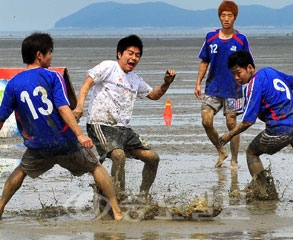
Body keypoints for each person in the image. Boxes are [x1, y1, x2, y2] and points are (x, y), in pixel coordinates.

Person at [0, 32, 123, 221]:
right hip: (65, 141)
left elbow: (2, 117)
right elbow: (63, 108)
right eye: (50, 53)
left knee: (21, 171)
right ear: (39, 55)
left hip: (37, 146)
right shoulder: (53, 76)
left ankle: (0, 208)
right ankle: (116, 211)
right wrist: (81, 135)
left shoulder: (13, 84)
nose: (51, 57)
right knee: (96, 167)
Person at [73, 34, 176, 198]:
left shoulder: (135, 80)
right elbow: (87, 83)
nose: (134, 58)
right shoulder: (109, 67)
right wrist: (79, 106)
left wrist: (166, 83)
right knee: (118, 156)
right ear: (120, 54)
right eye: (130, 53)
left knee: (152, 158)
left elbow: (154, 95)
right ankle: (118, 196)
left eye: (137, 55)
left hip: (123, 130)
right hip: (100, 124)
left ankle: (143, 197)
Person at [219, 50, 293, 180]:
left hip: (279, 130)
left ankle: (263, 191)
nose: (236, 78)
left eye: (238, 73)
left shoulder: (253, 85)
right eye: (233, 74)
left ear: (249, 67)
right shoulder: (271, 72)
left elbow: (248, 121)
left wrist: (229, 134)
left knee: (251, 152)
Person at [194, 0, 252, 169]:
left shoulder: (241, 39)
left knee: (232, 124)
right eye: (223, 15)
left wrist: (251, 85)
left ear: (235, 18)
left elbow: (249, 65)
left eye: (230, 15)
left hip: (233, 90)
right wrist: (197, 83)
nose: (226, 19)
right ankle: (221, 151)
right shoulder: (210, 37)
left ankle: (234, 160)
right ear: (219, 17)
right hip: (213, 88)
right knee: (206, 120)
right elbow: (204, 61)